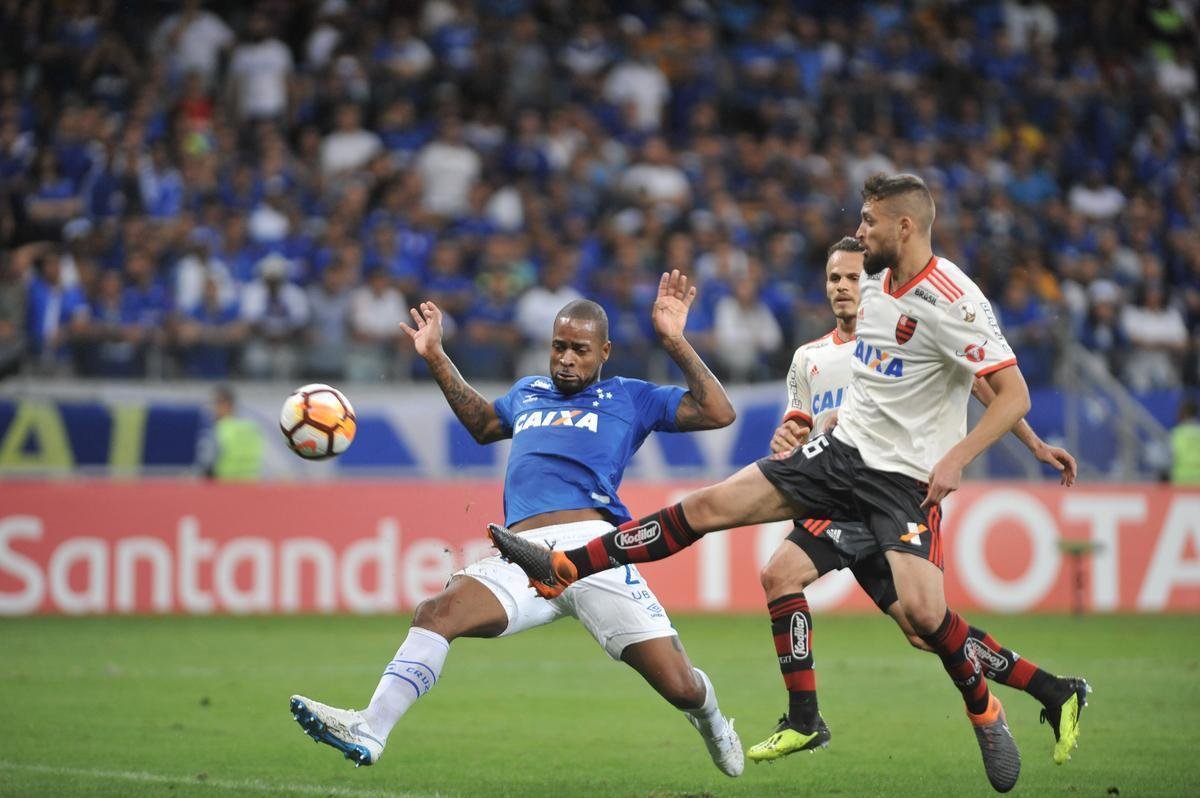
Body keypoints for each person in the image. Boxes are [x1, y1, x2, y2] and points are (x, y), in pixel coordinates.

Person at [490, 173, 1067, 793]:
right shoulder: (864, 295)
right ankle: (568, 568)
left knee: (925, 616)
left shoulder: (955, 299)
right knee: (714, 509)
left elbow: (1007, 390)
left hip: (903, 480)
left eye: (870, 221)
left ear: (904, 227)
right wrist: (805, 429)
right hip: (841, 454)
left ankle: (988, 708)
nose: (859, 232)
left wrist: (966, 456)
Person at [290, 270, 745, 776]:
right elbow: (484, 424)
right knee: (436, 612)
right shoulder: (529, 392)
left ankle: (712, 721)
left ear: (605, 352)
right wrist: (436, 356)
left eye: (580, 349)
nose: (566, 359)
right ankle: (370, 728)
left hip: (597, 551)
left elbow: (718, 411)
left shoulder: (630, 397)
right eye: (558, 347)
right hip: (523, 553)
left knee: (680, 686)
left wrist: (674, 340)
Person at [745, 236, 1087, 767]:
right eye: (834, 278)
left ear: (874, 281)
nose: (843, 287)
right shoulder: (807, 358)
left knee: (922, 625)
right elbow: (797, 424)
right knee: (906, 624)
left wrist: (1035, 444)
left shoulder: (910, 331)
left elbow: (985, 385)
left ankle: (807, 720)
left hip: (894, 489)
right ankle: (1051, 690)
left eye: (853, 277)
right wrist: (787, 441)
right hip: (840, 493)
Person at [204, 384, 264, 480]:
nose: (212, 408)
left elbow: (208, 462)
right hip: (250, 486)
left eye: (215, 403)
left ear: (226, 404)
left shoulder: (220, 429)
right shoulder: (251, 428)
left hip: (224, 486)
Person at [1170, 397, 1200, 484]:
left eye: (1180, 411)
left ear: (1185, 413)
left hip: (1182, 479)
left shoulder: (1178, 433)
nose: (1177, 414)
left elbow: (1172, 454)